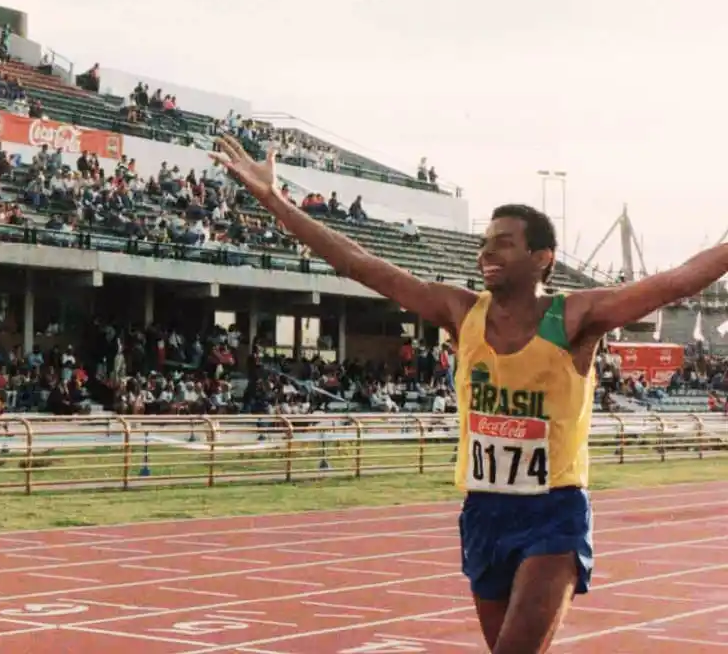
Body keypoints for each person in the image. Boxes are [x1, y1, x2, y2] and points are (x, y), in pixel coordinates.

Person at [211, 135, 726, 654]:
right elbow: (360, 264)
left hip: (553, 513)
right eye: (485, 240)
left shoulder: (574, 318)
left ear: (542, 257)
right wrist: (274, 200)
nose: (487, 250)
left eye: (504, 241)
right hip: (483, 512)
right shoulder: (461, 313)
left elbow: (675, 282)